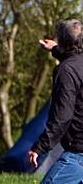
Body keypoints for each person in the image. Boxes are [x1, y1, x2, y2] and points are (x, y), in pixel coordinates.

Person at [28, 19, 83, 184]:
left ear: (63, 41)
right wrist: (56, 49)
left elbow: (62, 117)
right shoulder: (75, 65)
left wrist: (40, 147)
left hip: (78, 154)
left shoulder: (66, 71)